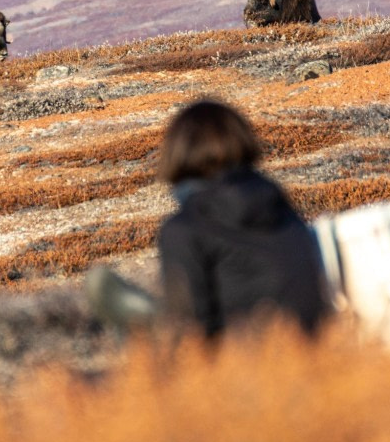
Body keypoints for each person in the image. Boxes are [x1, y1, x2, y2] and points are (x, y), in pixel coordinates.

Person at [86, 100, 328, 338]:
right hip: (320, 345)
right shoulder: (276, 201)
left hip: (242, 353)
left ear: (177, 152)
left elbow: (191, 326)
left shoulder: (185, 229)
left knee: (143, 329)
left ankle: (136, 321)